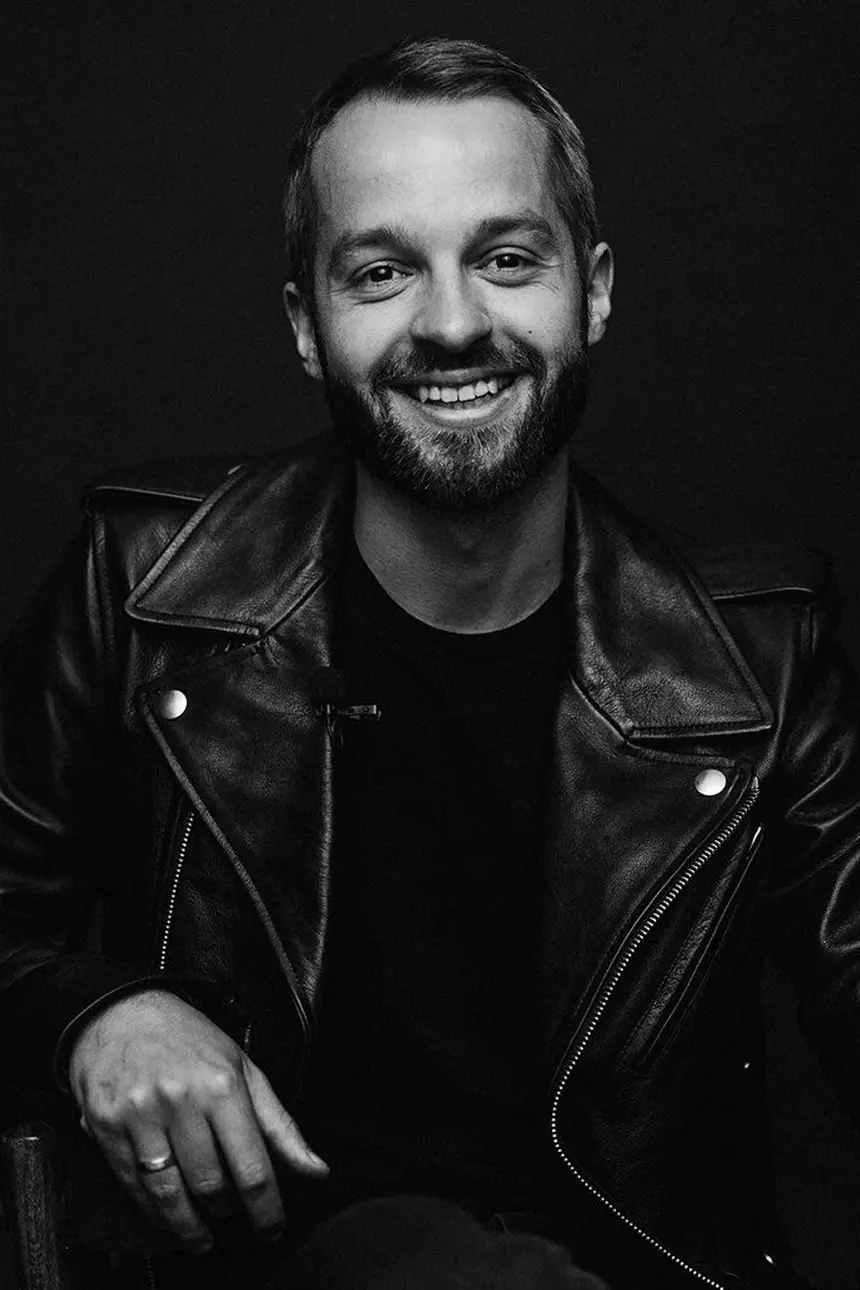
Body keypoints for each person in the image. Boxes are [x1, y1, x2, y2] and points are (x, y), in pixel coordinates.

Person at [0, 34, 856, 1290]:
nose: (452, 324)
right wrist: (95, 1010)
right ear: (305, 325)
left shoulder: (756, 653)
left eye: (506, 259)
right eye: (382, 271)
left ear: (592, 292)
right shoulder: (141, 585)